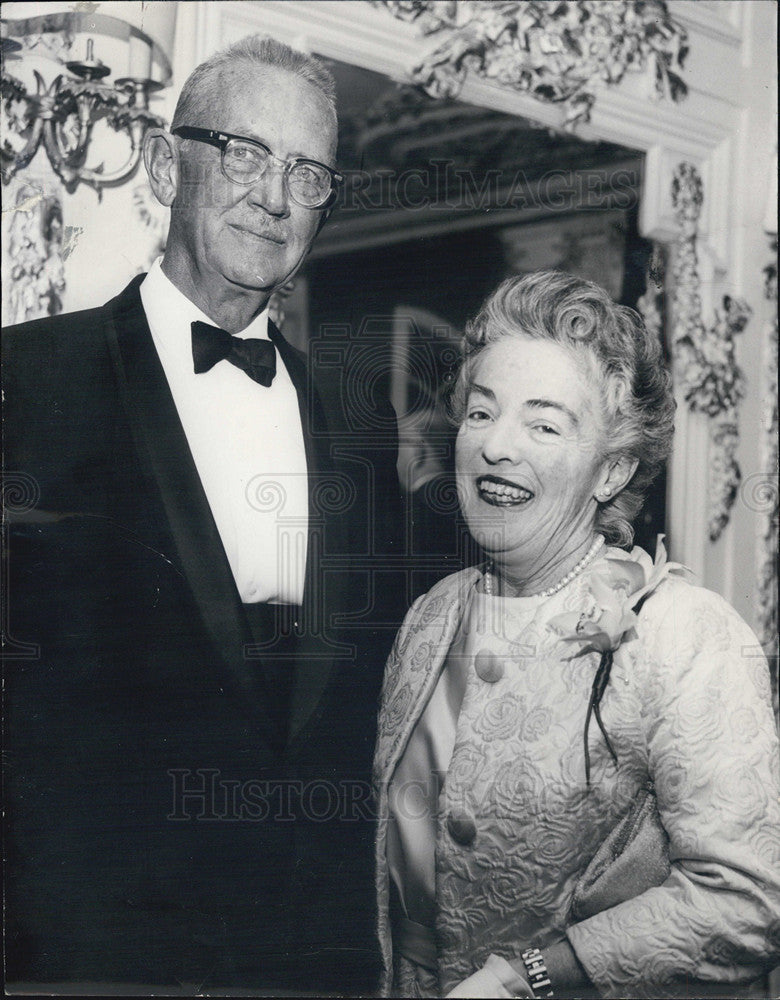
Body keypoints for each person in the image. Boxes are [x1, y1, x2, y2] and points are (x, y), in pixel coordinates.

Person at [3, 35, 402, 994]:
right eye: (246, 152)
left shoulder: (359, 428)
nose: (274, 194)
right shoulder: (23, 381)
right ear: (172, 160)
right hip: (85, 948)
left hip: (308, 958)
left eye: (308, 173)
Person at [373, 270, 780, 997]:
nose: (497, 446)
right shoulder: (429, 618)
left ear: (612, 469)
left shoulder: (686, 634)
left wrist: (536, 976)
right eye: (480, 412)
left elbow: (748, 903)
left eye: (544, 424)